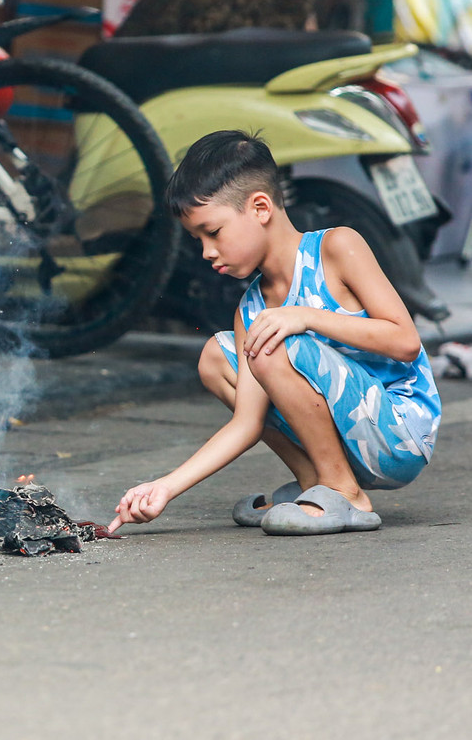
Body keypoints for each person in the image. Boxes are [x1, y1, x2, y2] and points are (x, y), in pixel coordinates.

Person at [109, 131, 439, 536]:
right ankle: (314, 482)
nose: (206, 251)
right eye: (197, 239)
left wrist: (304, 316)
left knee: (271, 339)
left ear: (260, 207)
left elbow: (405, 342)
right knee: (217, 355)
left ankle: (344, 493)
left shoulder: (337, 248)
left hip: (398, 434)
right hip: (348, 436)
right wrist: (162, 488)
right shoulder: (250, 309)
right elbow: (248, 423)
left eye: (213, 232)